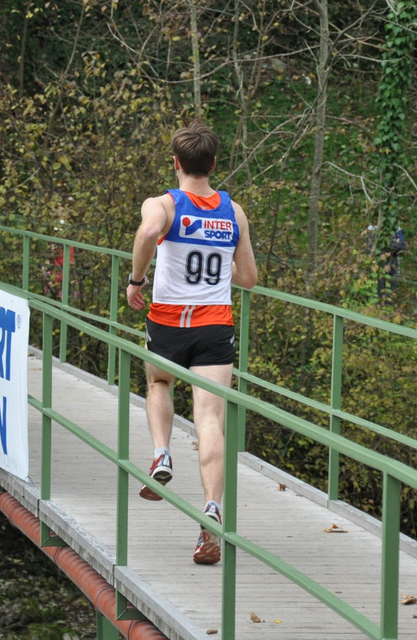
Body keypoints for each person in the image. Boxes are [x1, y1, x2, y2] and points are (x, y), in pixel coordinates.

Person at [125, 120, 258, 565]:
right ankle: (212, 513)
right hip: (214, 325)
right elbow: (249, 278)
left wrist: (136, 280)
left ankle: (161, 454)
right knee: (210, 419)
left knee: (159, 384)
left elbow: (148, 234)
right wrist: (221, 266)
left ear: (176, 162)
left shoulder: (163, 204)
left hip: (167, 321)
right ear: (213, 164)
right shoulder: (233, 212)